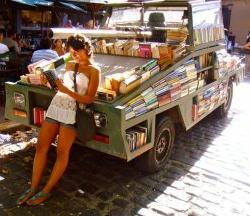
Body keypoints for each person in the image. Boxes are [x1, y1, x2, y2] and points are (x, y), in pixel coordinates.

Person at [16, 35, 100, 206]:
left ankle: (46, 190)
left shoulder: (94, 71)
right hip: (57, 106)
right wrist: (50, 82)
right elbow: (61, 89)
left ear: (87, 50)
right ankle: (33, 187)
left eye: (77, 51)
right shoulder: (69, 64)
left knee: (62, 153)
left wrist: (64, 90)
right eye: (71, 51)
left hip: (73, 112)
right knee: (41, 146)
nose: (74, 54)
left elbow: (89, 99)